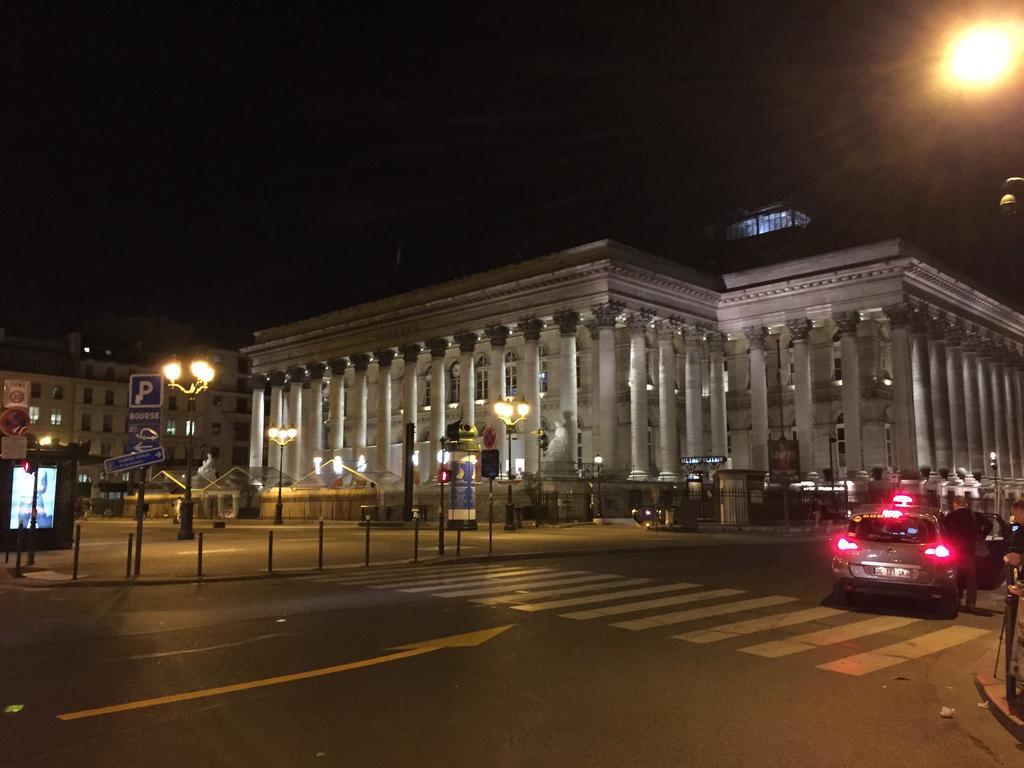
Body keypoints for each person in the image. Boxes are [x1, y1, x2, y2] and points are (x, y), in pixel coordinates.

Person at [944, 496, 979, 610]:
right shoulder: (973, 516)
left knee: (955, 578)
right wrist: (980, 536)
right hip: (968, 552)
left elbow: (945, 532)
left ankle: (956, 600)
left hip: (954, 551)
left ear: (955, 504)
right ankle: (971, 603)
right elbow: (988, 524)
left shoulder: (951, 516)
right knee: (971, 580)